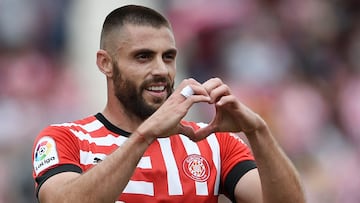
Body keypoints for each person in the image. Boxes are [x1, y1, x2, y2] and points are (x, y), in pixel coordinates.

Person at [31, 4, 305, 203]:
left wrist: (257, 131)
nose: (161, 69)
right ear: (106, 63)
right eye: (143, 57)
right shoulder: (64, 139)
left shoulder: (213, 142)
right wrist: (146, 135)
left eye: (168, 57)